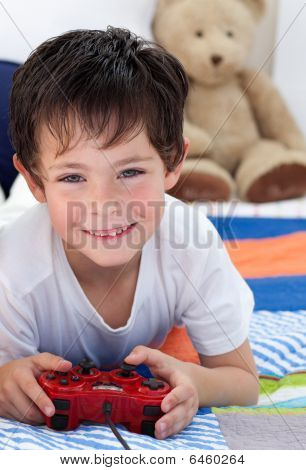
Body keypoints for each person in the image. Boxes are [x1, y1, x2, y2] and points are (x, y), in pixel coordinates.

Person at [0, 27, 258, 440]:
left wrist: (197, 383)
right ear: (36, 182)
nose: (105, 203)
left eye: (130, 171)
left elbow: (244, 382)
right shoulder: (12, 270)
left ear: (173, 163)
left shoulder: (190, 244)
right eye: (73, 176)